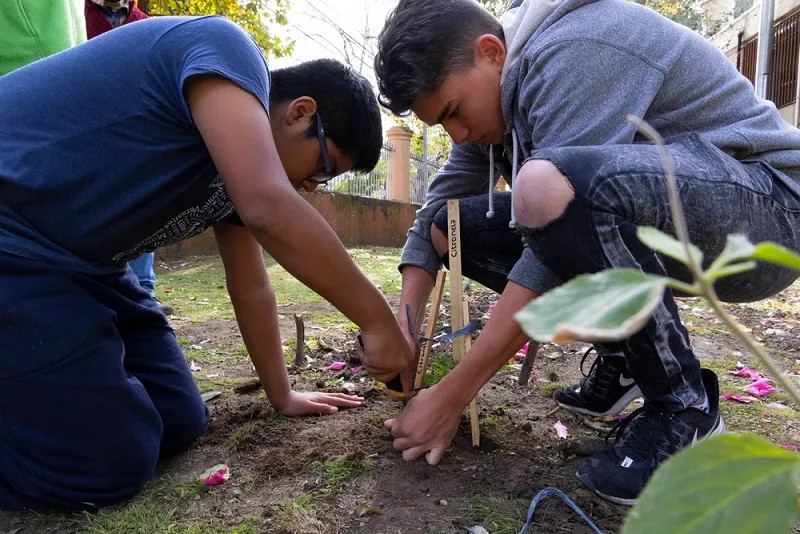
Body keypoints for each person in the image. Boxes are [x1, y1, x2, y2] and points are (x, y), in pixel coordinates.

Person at [374, 0, 800, 505]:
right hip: (680, 212)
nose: (458, 135)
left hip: (770, 210)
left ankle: (684, 407)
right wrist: (403, 330)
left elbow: (555, 219)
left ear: (490, 52)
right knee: (455, 228)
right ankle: (627, 359)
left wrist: (452, 394)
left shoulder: (575, 50)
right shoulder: (493, 94)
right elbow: (436, 212)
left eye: (453, 112)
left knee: (545, 190)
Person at [0, 15, 412, 510]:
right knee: (106, 465)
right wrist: (379, 322)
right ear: (301, 112)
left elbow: (251, 286)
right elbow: (269, 209)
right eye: (323, 168)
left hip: (85, 268)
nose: (311, 187)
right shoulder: (222, 48)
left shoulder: (236, 169)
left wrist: (281, 395)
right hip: (14, 242)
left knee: (179, 418)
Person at [84, 0, 176, 314]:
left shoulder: (147, 25)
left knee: (142, 208)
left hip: (137, 138)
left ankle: (143, 295)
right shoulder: (75, 17)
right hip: (88, 136)